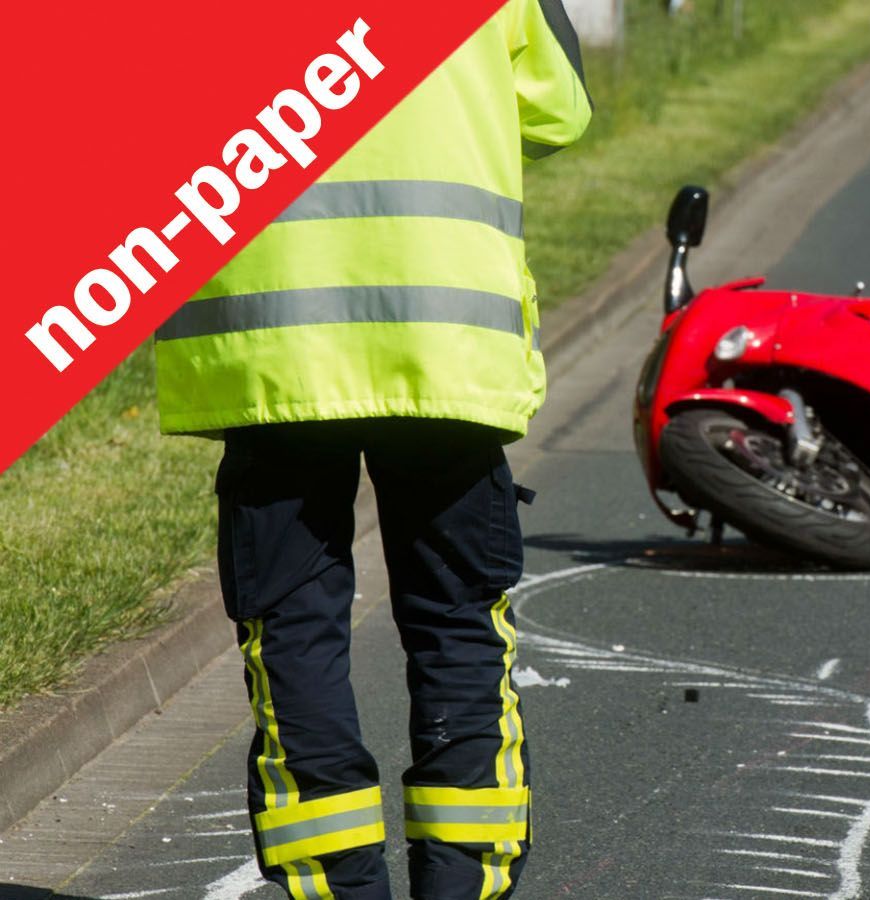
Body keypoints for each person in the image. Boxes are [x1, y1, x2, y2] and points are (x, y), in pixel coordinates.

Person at [153, 3, 590, 897]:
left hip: (269, 348)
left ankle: (341, 889)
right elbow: (558, 111)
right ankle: (461, 884)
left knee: (293, 631)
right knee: (459, 622)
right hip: (443, 340)